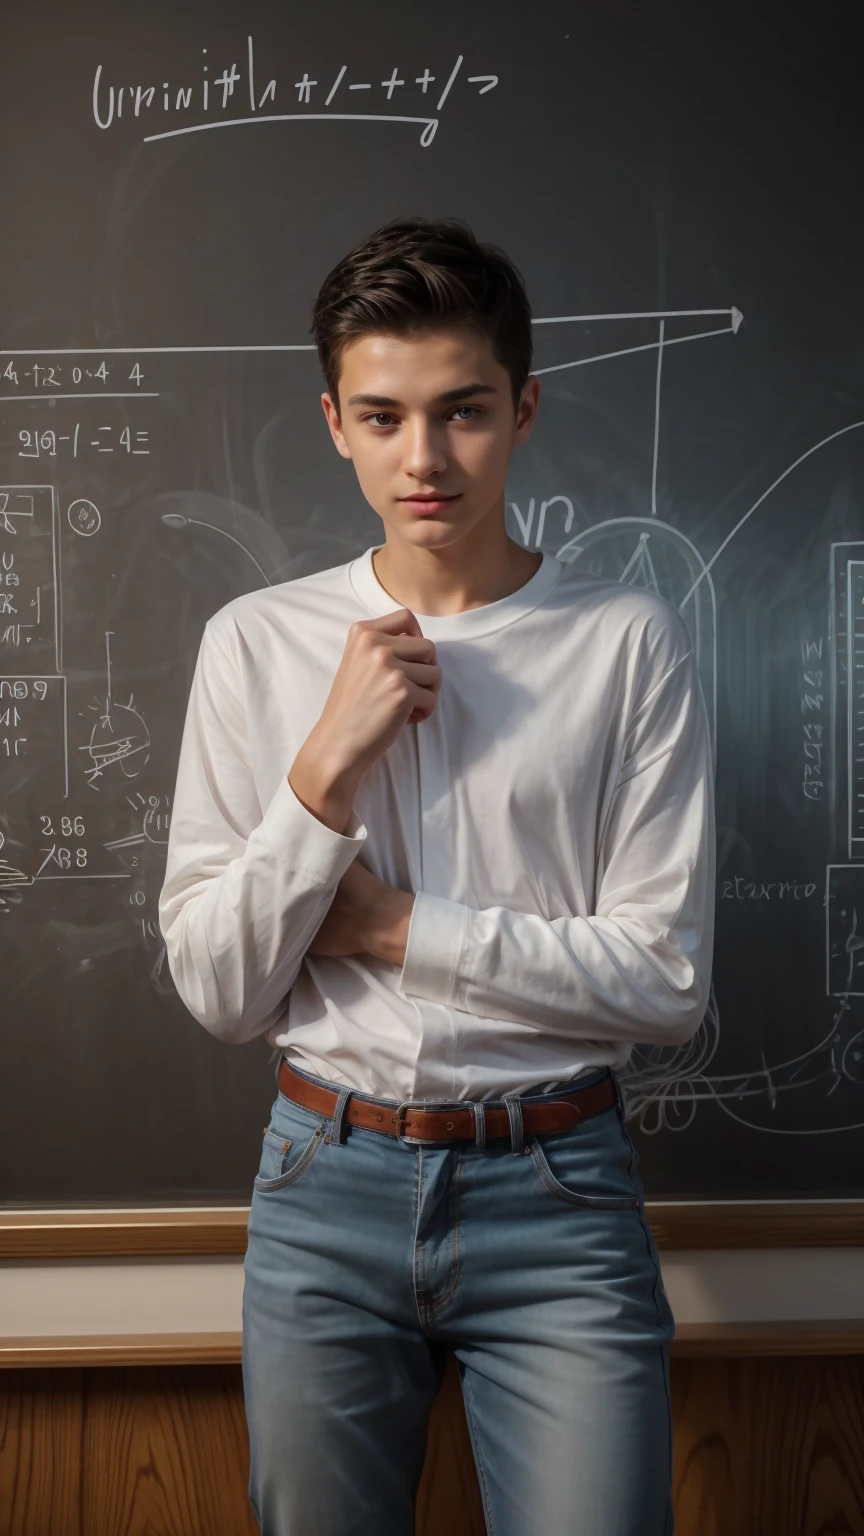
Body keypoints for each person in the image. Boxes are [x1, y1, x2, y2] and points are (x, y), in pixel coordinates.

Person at [159, 216, 715, 1536]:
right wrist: (324, 772)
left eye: (462, 411)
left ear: (523, 411)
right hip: (322, 1186)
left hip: (561, 1194)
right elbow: (223, 990)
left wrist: (395, 927)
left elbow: (669, 983)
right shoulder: (253, 644)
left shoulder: (627, 644)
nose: (424, 459)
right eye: (385, 415)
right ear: (335, 423)